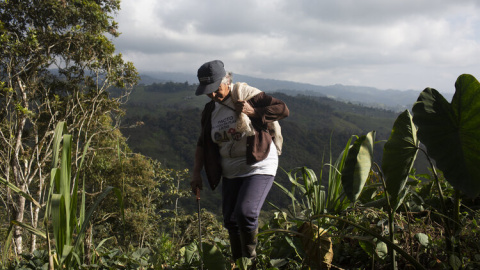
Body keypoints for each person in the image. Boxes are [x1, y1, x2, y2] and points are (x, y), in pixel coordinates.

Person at [190, 60, 289, 263]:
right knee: (231, 220)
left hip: (259, 163)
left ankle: (250, 261)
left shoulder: (247, 94)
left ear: (226, 80)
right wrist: (196, 173)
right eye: (208, 92)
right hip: (231, 170)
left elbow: (282, 109)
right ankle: (238, 263)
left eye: (216, 89)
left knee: (245, 213)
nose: (212, 95)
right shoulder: (210, 111)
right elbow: (202, 143)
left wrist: (253, 112)